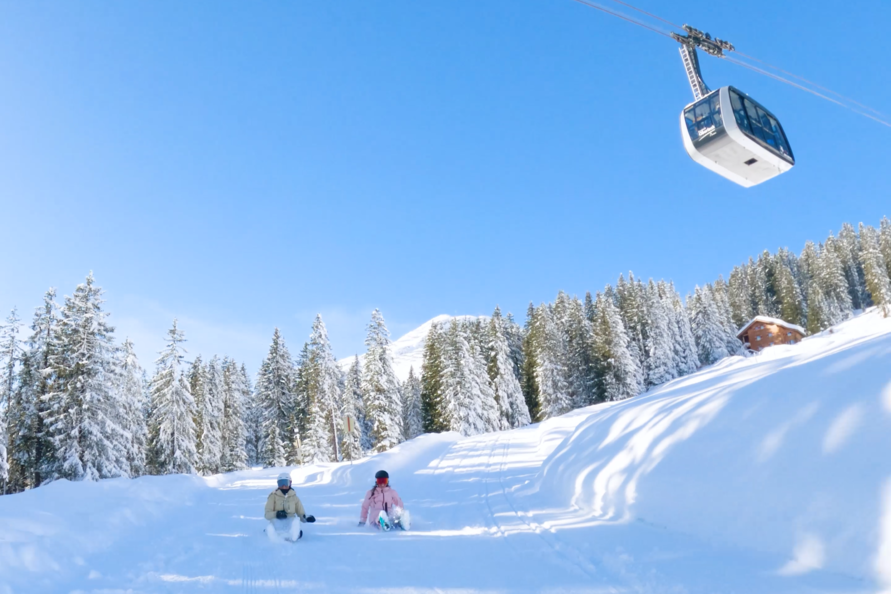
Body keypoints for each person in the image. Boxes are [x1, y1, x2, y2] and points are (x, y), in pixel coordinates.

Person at [265, 472, 315, 541]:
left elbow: (301, 513)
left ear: (290, 483)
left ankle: (293, 535)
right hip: (277, 521)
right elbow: (267, 514)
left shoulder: (294, 498)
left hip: (290, 522)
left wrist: (306, 518)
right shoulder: (273, 497)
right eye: (281, 483)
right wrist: (277, 514)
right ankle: (272, 533)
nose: (283, 486)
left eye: (285, 483)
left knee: (295, 524)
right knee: (274, 530)